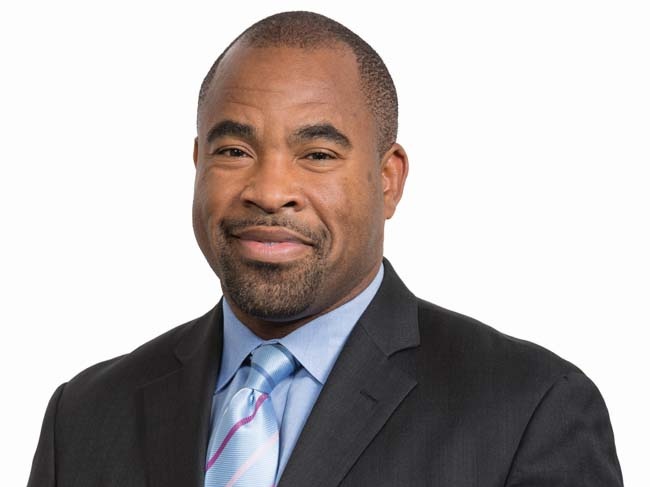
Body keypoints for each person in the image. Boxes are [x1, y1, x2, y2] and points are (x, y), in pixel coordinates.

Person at [27, 10, 623, 487]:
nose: (269, 191)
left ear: (388, 180)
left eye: (317, 154)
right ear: (197, 163)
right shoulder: (82, 418)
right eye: (233, 151)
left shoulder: (530, 410)